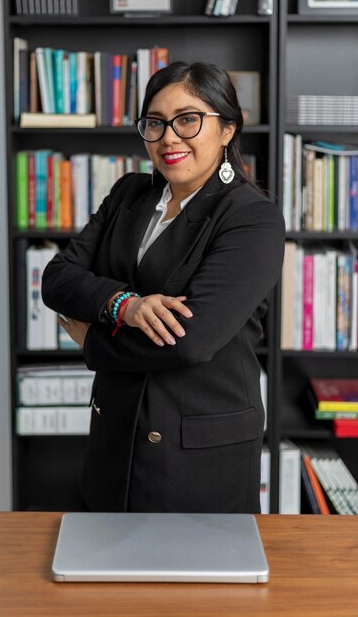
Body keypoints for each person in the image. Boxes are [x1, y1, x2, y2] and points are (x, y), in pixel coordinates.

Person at [41, 61, 285, 514]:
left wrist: (94, 338)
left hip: (196, 454)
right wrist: (125, 306)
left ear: (227, 129)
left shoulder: (252, 218)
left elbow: (189, 342)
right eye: (155, 123)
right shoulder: (128, 194)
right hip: (114, 437)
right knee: (103, 577)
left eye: (188, 119)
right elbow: (57, 278)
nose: (169, 137)